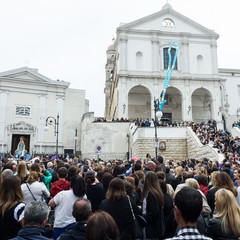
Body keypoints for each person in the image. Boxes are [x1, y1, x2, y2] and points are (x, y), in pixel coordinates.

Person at [49, 175, 87, 240]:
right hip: (75, 224)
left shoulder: (63, 194)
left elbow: (50, 203)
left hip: (61, 223)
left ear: (71, 183)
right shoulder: (84, 196)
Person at [142, 171, 165, 239]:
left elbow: (154, 212)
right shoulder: (156, 191)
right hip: (155, 225)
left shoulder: (151, 194)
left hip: (151, 226)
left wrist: (143, 218)